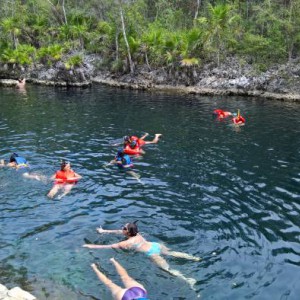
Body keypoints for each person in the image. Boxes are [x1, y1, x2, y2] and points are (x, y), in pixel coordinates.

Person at [83, 221, 200, 287]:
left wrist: (90, 246)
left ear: (127, 231)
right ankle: (194, 258)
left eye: (123, 227)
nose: (121, 228)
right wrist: (104, 231)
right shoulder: (136, 234)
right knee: (171, 253)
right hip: (155, 245)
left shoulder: (126, 243)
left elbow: (107, 246)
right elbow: (117, 232)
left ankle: (187, 279)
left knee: (168, 269)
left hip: (151, 253)